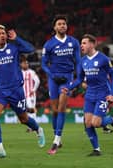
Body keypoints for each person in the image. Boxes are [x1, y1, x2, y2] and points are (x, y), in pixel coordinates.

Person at [0, 24, 45, 159]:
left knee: (23, 119)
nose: (2, 36)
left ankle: (38, 129)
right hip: (0, 90)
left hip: (16, 90)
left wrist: (17, 39)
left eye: (3, 33)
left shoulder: (14, 47)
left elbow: (31, 49)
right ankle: (0, 149)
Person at [62, 34, 113, 156]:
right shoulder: (82, 61)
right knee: (87, 123)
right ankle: (96, 150)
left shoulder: (103, 59)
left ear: (92, 44)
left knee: (96, 123)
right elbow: (79, 79)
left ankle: (112, 119)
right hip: (89, 95)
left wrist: (111, 94)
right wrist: (69, 87)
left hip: (102, 94)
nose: (81, 45)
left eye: (84, 43)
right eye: (81, 43)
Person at [41, 15, 81, 155]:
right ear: (55, 27)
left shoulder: (74, 42)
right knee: (55, 110)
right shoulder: (49, 44)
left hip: (67, 77)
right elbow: (43, 64)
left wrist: (78, 77)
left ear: (67, 26)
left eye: (64, 23)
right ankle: (57, 135)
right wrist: (52, 75)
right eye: (59, 24)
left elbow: (78, 62)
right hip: (53, 78)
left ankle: (56, 141)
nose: (62, 26)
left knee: (62, 105)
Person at [20, 57, 40, 132]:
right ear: (21, 64)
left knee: (32, 109)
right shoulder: (19, 73)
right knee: (26, 111)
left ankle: (34, 127)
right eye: (24, 63)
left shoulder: (31, 72)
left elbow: (37, 81)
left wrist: (33, 90)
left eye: (27, 63)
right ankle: (31, 126)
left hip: (30, 95)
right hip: (22, 95)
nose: (26, 64)